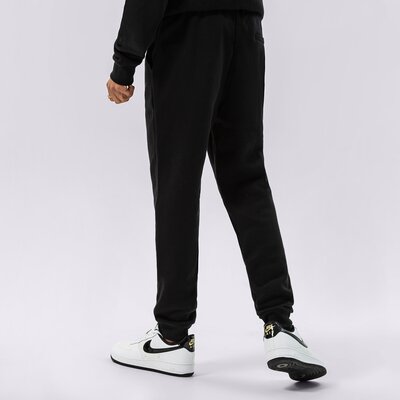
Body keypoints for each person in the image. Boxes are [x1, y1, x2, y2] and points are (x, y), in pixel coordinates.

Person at [106, 0, 327, 381]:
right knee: (246, 178)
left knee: (177, 182)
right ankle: (280, 326)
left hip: (186, 31)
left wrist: (124, 62)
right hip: (245, 27)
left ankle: (172, 336)